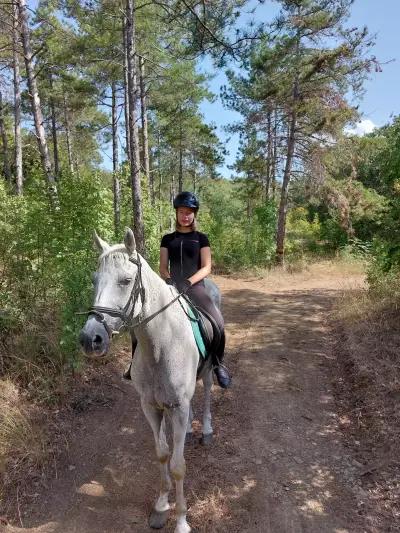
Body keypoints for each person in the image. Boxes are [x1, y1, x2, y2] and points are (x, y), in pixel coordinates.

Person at [159, 191, 231, 389]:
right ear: (176, 213)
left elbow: (207, 267)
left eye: (189, 212)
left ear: (194, 214)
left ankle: (218, 363)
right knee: (145, 319)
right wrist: (169, 279)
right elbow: (163, 266)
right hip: (172, 287)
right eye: (182, 211)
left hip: (195, 287)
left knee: (217, 321)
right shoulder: (167, 239)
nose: (185, 216)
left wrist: (189, 282)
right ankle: (136, 365)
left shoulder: (201, 238)